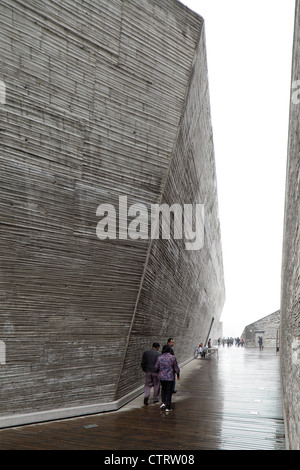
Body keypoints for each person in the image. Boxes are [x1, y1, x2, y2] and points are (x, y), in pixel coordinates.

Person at [155, 345, 180, 412]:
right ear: (169, 350)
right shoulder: (173, 357)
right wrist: (178, 375)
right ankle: (167, 407)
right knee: (169, 391)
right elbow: (176, 367)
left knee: (163, 389)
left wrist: (159, 372)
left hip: (162, 377)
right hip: (170, 377)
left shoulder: (160, 358)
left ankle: (163, 402)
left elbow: (156, 367)